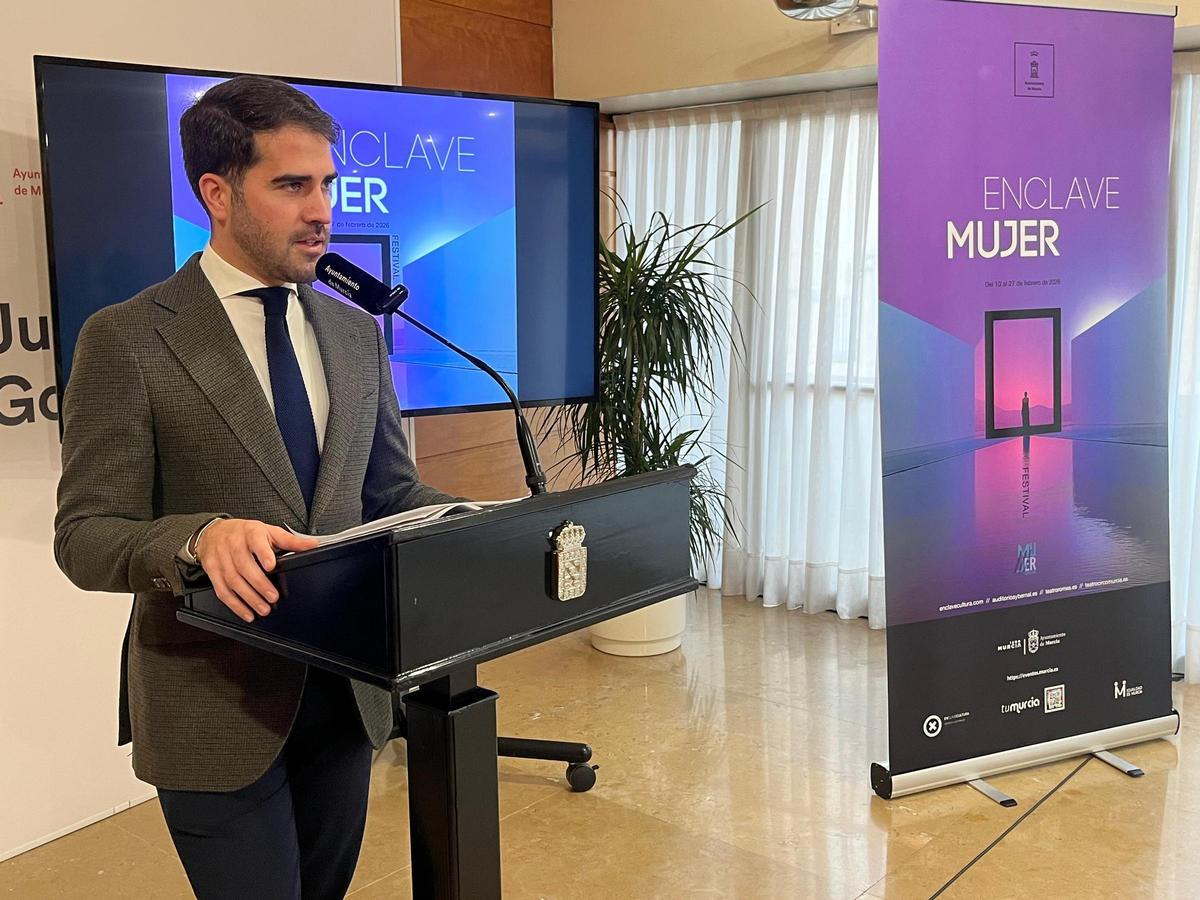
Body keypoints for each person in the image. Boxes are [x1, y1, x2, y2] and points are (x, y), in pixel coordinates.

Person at [53, 75, 457, 899]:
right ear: (218, 193)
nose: (322, 210)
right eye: (291, 185)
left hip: (347, 695)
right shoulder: (128, 338)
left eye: (327, 185)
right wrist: (198, 537)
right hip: (212, 707)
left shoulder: (352, 331)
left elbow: (388, 493)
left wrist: (477, 521)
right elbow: (86, 533)